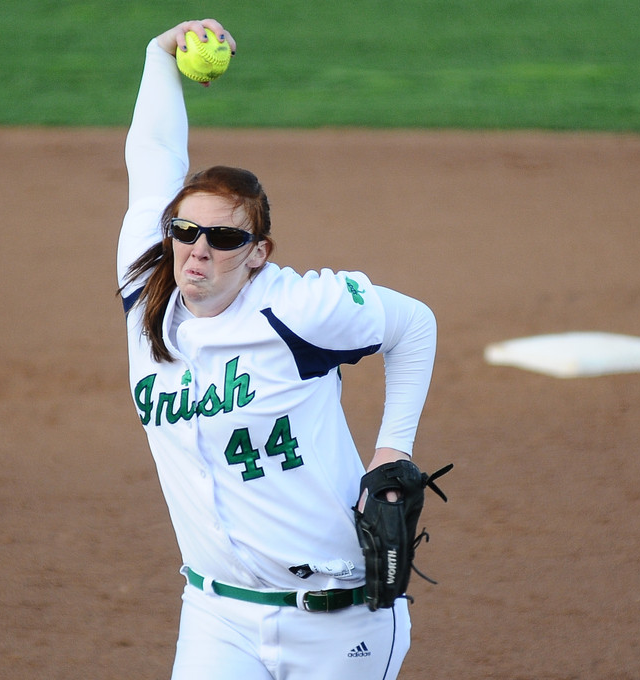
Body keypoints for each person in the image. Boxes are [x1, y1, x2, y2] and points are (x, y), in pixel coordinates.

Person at [117, 18, 437, 680]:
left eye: (225, 239)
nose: (199, 248)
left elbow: (414, 323)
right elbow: (151, 156)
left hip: (340, 617)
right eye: (185, 230)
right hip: (216, 618)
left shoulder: (297, 309)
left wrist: (393, 448)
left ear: (257, 253)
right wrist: (158, 54)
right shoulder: (146, 286)